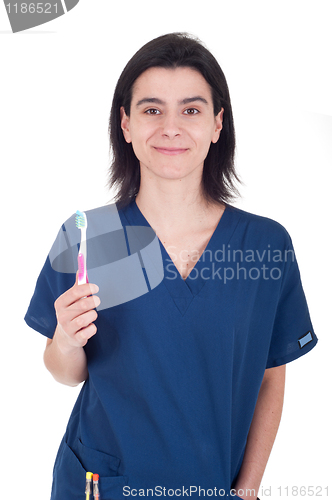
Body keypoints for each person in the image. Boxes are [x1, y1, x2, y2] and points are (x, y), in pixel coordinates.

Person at [25, 33, 318, 500]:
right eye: (152, 109)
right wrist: (65, 338)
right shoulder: (87, 237)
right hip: (102, 485)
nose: (171, 127)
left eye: (192, 110)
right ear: (126, 124)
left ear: (217, 125)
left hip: (213, 487)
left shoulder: (264, 245)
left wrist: (247, 488)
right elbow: (66, 372)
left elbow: (271, 372)